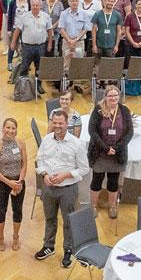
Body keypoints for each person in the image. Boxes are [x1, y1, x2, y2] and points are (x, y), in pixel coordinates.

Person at [35, 110, 90, 268]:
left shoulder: (77, 144)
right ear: (51, 122)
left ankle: (68, 249)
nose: (57, 126)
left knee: (68, 221)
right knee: (50, 218)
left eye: (61, 123)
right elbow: (40, 160)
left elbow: (84, 169)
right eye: (55, 122)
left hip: (68, 189)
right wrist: (44, 175)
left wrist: (66, 175)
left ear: (67, 124)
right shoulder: (46, 140)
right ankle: (49, 246)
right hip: (49, 187)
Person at [87, 85, 134, 219]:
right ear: (105, 97)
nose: (113, 98)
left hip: (117, 154)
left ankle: (112, 206)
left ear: (119, 97)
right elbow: (92, 131)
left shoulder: (124, 110)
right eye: (110, 95)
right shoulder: (98, 110)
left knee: (113, 182)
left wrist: (116, 148)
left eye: (115, 95)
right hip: (100, 153)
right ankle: (93, 206)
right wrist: (106, 148)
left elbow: (130, 132)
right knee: (97, 180)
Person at [0, 118, 27, 251]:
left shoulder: (21, 143)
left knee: (18, 211)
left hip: (18, 182)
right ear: (3, 129)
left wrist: (20, 181)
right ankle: (0, 237)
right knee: (1, 210)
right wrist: (9, 183)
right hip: (2, 182)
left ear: (16, 130)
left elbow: (24, 164)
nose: (10, 131)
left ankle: (16, 237)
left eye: (13, 128)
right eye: (8, 127)